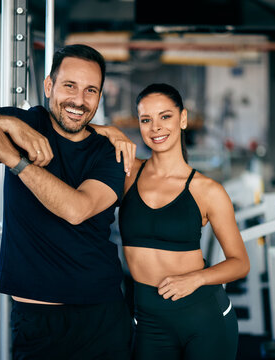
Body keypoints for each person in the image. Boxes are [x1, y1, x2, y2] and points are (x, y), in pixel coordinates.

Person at [0, 44, 135, 360]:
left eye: (90, 91)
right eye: (70, 86)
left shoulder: (109, 151)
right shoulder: (25, 123)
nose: (79, 100)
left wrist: (15, 160)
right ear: (48, 86)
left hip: (100, 316)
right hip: (36, 321)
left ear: (99, 98)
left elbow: (77, 209)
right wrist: (8, 124)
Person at [100, 83, 250, 359]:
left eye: (165, 116)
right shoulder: (129, 173)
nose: (155, 127)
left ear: (183, 119)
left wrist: (196, 279)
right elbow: (77, 133)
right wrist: (110, 131)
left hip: (203, 317)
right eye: (146, 120)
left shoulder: (207, 190)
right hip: (148, 320)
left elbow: (240, 263)